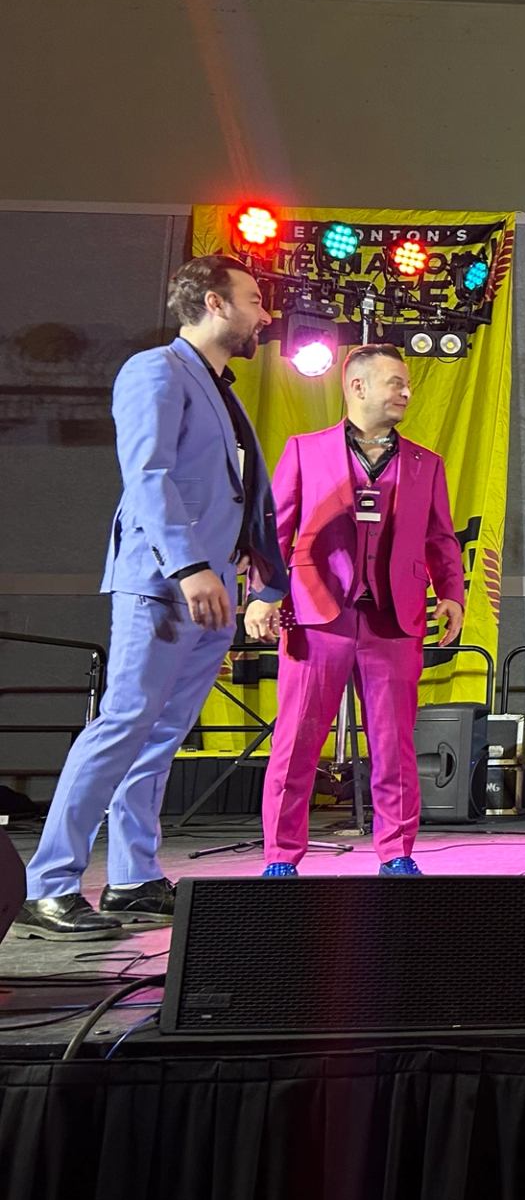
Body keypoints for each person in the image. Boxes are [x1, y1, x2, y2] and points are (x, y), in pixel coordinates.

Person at [18, 257, 287, 939]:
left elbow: (242, 495)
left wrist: (258, 574)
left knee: (159, 737)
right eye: (254, 300)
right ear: (213, 302)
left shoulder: (221, 391)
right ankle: (48, 885)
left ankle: (133, 879)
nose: (267, 315)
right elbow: (147, 474)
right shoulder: (155, 371)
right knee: (123, 724)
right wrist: (190, 564)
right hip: (165, 582)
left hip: (211, 587)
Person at [245, 344, 465, 876]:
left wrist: (452, 594)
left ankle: (397, 852)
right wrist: (262, 595)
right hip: (318, 615)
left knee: (394, 744)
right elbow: (273, 533)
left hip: (395, 618)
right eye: (396, 383)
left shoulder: (424, 463)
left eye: (407, 384)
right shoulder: (305, 450)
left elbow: (440, 538)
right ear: (357, 386)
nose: (406, 393)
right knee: (297, 739)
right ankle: (281, 855)